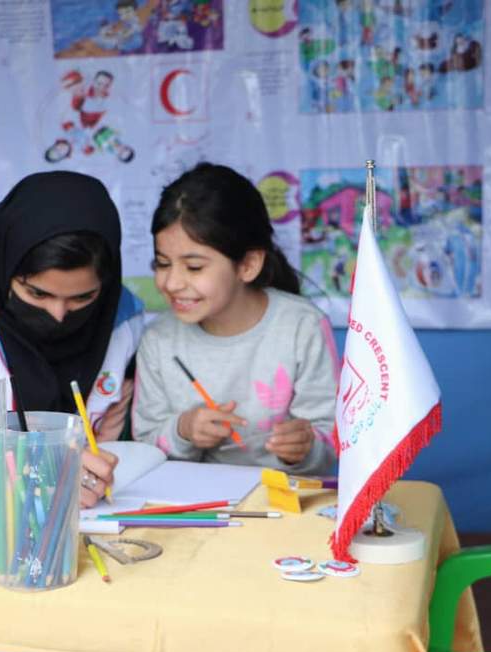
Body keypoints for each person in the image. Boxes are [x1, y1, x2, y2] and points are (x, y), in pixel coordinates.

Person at [0, 171, 145, 508]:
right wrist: (45, 472)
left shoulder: (122, 317)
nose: (58, 314)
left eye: (82, 298)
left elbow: (108, 441)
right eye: (37, 293)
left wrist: (94, 479)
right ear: (6, 265)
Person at [132, 163, 338, 474]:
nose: (171, 283)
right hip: (197, 499)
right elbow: (146, 449)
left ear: (248, 265)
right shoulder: (158, 339)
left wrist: (304, 447)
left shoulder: (302, 327)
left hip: (286, 497)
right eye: (162, 263)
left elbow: (333, 439)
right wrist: (183, 430)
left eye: (194, 267)